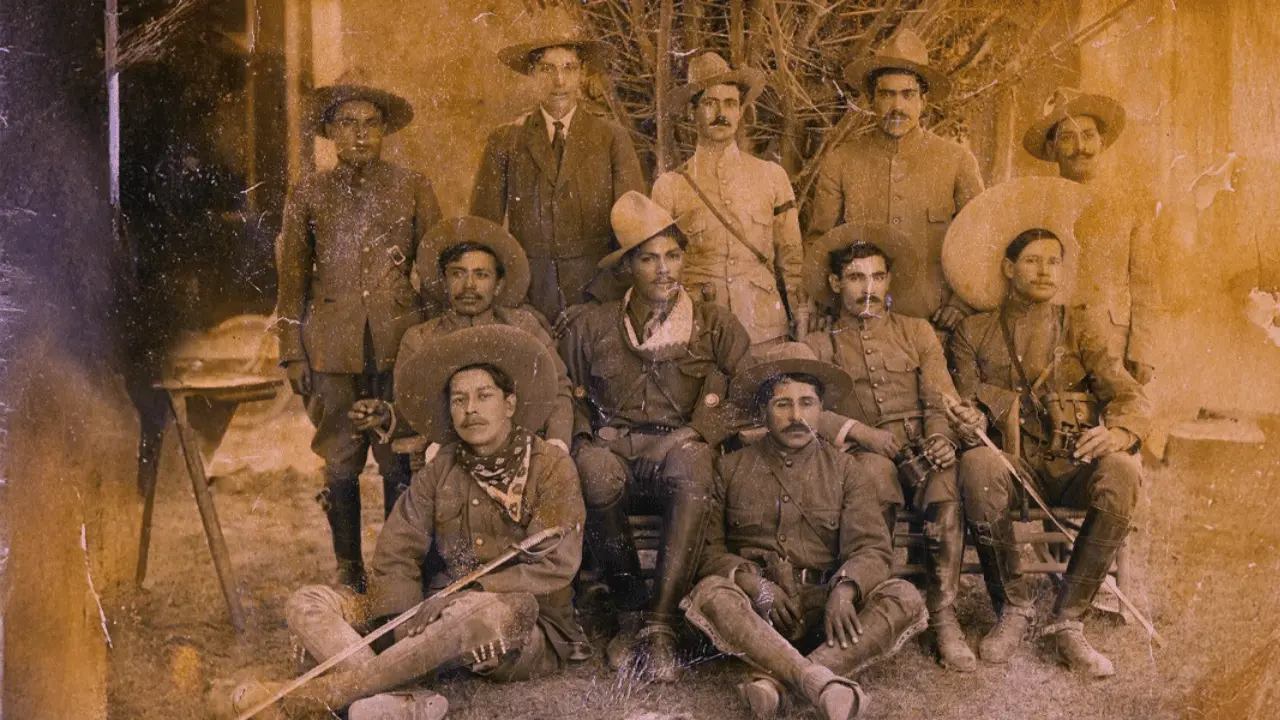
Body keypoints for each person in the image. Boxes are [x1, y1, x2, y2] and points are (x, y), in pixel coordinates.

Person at [223, 325, 586, 719]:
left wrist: (468, 592)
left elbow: (555, 563)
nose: (471, 410)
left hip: (517, 623)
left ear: (510, 405)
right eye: (459, 400)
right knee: (308, 602)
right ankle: (399, 699)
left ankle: (308, 698)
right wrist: (403, 618)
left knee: (472, 612)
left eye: (484, 397)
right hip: (434, 614)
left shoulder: (551, 467)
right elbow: (398, 547)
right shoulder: (442, 466)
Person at [944, 178, 1151, 678]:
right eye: (1032, 260)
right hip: (1013, 467)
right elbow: (965, 402)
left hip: (1072, 465)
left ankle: (1068, 622)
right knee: (976, 466)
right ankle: (1013, 607)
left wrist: (1120, 433)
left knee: (1121, 472)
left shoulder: (1080, 328)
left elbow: (1127, 394)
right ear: (1009, 269)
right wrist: (973, 419)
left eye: (1053, 260)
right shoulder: (974, 332)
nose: (1043, 270)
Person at [559, 191, 752, 681]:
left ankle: (661, 624)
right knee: (595, 473)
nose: (664, 270)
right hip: (614, 447)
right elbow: (570, 393)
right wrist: (587, 440)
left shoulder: (715, 325)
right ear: (628, 266)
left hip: (681, 444)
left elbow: (738, 392)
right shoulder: (593, 326)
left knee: (693, 466)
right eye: (649, 259)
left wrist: (690, 433)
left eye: (673, 256)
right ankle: (629, 613)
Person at [682, 343, 927, 720]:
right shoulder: (728, 469)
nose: (797, 416)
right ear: (763, 410)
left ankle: (778, 683)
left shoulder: (846, 470)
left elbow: (873, 549)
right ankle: (820, 682)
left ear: (821, 410)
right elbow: (709, 553)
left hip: (826, 613)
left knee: (904, 597)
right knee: (711, 593)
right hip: (758, 614)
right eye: (783, 404)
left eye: (807, 403)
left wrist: (845, 590)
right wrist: (754, 586)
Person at [275, 69, 442, 591]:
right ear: (329, 131)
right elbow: (291, 284)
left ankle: (396, 569)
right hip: (332, 352)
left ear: (385, 130)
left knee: (398, 461)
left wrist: (433, 349)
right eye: (347, 123)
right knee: (341, 462)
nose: (360, 134)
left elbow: (434, 271)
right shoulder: (309, 194)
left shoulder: (413, 188)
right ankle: (348, 570)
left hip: (399, 348)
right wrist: (292, 353)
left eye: (371, 123)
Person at [802, 225, 986, 672]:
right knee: (872, 477)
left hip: (921, 443)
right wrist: (860, 433)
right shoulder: (818, 344)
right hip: (863, 452)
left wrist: (942, 438)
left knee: (945, 482)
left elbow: (939, 396)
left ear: (889, 282)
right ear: (834, 283)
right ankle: (871, 607)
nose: (869, 289)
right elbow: (804, 411)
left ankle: (943, 618)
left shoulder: (917, 332)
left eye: (878, 278)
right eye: (855, 278)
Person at [348, 216, 574, 479]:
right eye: (458, 274)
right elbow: (414, 409)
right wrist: (386, 414)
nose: (469, 286)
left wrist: (556, 445)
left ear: (498, 284)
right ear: (444, 281)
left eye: (481, 275)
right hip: (451, 460)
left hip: (521, 452)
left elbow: (558, 389)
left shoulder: (525, 326)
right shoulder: (419, 339)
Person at [809, 30, 983, 333]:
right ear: (872, 100)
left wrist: (960, 304)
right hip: (859, 325)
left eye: (908, 94)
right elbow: (819, 243)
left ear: (923, 101)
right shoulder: (842, 160)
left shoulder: (956, 160)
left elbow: (980, 241)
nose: (897, 107)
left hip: (934, 323)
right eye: (886, 94)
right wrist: (829, 304)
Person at [471, 31, 646, 324]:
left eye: (569, 68)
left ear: (582, 73)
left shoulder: (611, 138)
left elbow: (635, 236)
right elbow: (483, 233)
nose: (560, 81)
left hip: (598, 301)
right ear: (531, 73)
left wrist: (599, 300)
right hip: (526, 302)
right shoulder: (505, 141)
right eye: (547, 68)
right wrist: (515, 301)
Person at [651, 52, 807, 349]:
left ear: (740, 112)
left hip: (763, 329)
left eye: (730, 103)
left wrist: (799, 312)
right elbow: (659, 269)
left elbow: (791, 259)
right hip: (700, 329)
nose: (721, 113)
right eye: (709, 103)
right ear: (691, 112)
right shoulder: (669, 186)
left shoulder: (771, 176)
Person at [1022, 87, 1161, 384]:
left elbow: (1146, 283)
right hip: (1049, 338)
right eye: (1067, 138)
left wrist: (1143, 350)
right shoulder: (1035, 203)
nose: (1080, 147)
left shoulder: (1129, 202)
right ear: (1051, 148)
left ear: (1102, 141)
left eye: (1087, 136)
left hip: (1112, 339)